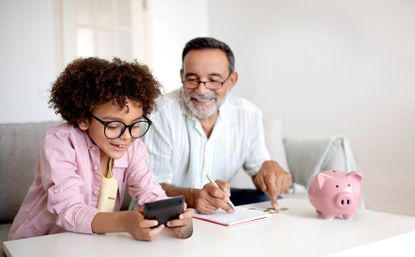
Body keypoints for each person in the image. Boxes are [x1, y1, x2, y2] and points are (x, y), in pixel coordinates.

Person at [8, 57, 193, 241]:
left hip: (90, 243)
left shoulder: (133, 148)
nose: (127, 136)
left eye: (135, 125)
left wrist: (177, 219)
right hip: (37, 243)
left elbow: (150, 192)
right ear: (83, 118)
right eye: (113, 125)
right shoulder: (60, 142)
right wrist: (123, 222)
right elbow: (69, 211)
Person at [143, 37, 292, 214]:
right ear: (181, 76)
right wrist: (192, 197)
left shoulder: (249, 115)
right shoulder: (160, 114)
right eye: (191, 79)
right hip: (170, 208)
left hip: (217, 204)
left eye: (213, 80)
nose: (201, 90)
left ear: (232, 80)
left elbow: (261, 172)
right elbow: (149, 188)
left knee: (266, 200)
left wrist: (272, 174)